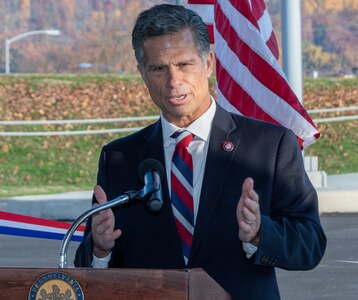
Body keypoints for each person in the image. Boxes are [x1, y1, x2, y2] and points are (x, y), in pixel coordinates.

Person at [75, 4, 326, 299]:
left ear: (207, 63)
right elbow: (90, 263)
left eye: (184, 64)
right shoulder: (119, 158)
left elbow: (310, 245)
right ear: (143, 73)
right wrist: (100, 249)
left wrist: (260, 233)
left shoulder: (269, 145)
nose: (173, 81)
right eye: (159, 68)